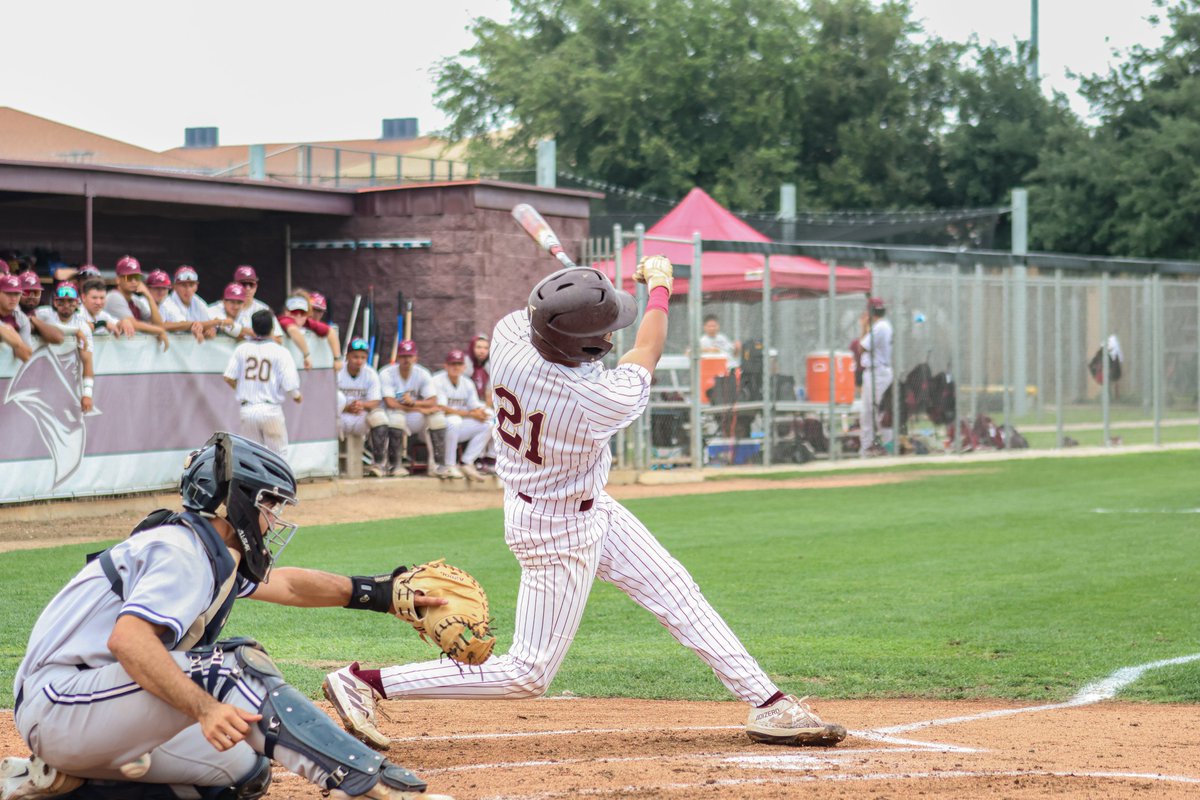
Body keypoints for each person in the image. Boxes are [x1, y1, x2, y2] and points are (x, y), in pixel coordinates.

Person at [322, 259, 846, 751]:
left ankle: (768, 703)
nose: (614, 334)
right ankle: (365, 681)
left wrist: (588, 315)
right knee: (527, 674)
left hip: (583, 504)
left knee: (676, 590)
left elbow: (558, 325)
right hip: (555, 528)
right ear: (584, 349)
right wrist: (660, 288)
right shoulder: (595, 400)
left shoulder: (508, 336)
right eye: (602, 334)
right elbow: (646, 351)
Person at [0, 432, 452, 800]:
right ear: (237, 501)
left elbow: (291, 585)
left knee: (242, 768)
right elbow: (129, 640)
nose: (273, 521)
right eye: (269, 505)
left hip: (94, 708)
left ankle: (57, 784)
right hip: (61, 701)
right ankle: (378, 784)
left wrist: (381, 594)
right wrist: (205, 707)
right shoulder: (181, 551)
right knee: (234, 668)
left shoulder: (211, 553)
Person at [224, 310, 302, 457]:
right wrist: (297, 396)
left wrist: (241, 388)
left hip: (247, 409)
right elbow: (290, 383)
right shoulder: (280, 351)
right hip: (270, 410)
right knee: (278, 455)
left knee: (251, 456)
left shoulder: (242, 348)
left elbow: (228, 377)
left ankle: (253, 481)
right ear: (272, 329)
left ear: (253, 329)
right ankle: (278, 481)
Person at [377, 340, 444, 477]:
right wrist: (419, 408)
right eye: (403, 356)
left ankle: (438, 466)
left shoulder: (422, 373)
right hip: (391, 415)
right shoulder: (386, 373)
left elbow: (432, 401)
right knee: (397, 417)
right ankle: (394, 466)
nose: (406, 359)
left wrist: (413, 403)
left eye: (409, 356)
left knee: (437, 418)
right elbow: (390, 403)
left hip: (412, 415)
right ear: (397, 357)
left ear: (415, 357)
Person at [34, 282, 96, 413]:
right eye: (61, 301)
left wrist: (87, 394)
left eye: (70, 301)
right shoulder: (44, 313)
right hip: (39, 377)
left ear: (77, 303)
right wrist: (74, 331)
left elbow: (87, 362)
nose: (66, 305)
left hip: (65, 381)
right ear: (55, 303)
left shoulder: (83, 326)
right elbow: (28, 320)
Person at [430, 350, 490, 482]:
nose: (456, 367)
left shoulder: (467, 382)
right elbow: (442, 408)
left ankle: (467, 462)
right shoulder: (437, 380)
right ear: (445, 365)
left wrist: (481, 412)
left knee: (488, 423)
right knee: (454, 420)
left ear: (464, 367)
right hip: (438, 426)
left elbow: (474, 405)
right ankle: (449, 465)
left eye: (459, 364)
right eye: (452, 364)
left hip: (458, 425)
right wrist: (471, 414)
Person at [337, 338, 389, 477]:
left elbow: (375, 401)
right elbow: (327, 399)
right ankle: (331, 464)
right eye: (355, 356)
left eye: (363, 357)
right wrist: (346, 407)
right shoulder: (338, 371)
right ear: (347, 356)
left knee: (380, 417)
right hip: (340, 415)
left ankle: (378, 464)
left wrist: (362, 405)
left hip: (361, 414)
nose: (359, 360)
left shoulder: (370, 373)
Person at [104, 256, 170, 352]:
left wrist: (149, 296)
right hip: (110, 354)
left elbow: (158, 324)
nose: (134, 281)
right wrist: (159, 331)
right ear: (118, 280)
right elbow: (133, 324)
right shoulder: (114, 297)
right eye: (129, 277)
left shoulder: (135, 300)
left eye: (137, 277)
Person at [858, 296, 893, 457]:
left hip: (878, 374)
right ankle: (867, 448)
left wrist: (863, 326)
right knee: (867, 413)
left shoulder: (881, 326)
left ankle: (889, 448)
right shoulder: (879, 326)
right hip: (873, 373)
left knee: (880, 414)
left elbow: (861, 347)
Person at [159, 265, 220, 342]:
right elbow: (180, 324)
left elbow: (212, 319)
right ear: (174, 286)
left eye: (191, 285)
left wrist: (213, 328)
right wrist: (197, 325)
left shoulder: (196, 300)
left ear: (196, 286)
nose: (188, 290)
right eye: (183, 285)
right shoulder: (166, 303)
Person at [15, 272, 66, 348]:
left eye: (36, 292)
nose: (32, 296)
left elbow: (59, 338)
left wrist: (33, 319)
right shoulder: (9, 312)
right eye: (26, 292)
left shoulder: (42, 315)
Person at [231, 265, 281, 341]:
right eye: (243, 284)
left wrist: (261, 335)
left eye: (251, 284)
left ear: (256, 286)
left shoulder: (264, 309)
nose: (248, 288)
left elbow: (279, 340)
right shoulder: (223, 306)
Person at [0, 274, 33, 362]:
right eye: (8, 293)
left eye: (17, 294)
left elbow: (25, 356)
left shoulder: (22, 319)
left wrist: (12, 336)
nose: (13, 298)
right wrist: (3, 329)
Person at [467, 333, 491, 407]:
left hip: (482, 405)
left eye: (486, 348)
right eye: (478, 347)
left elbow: (489, 393)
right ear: (472, 348)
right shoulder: (465, 364)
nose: (482, 351)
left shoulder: (489, 367)